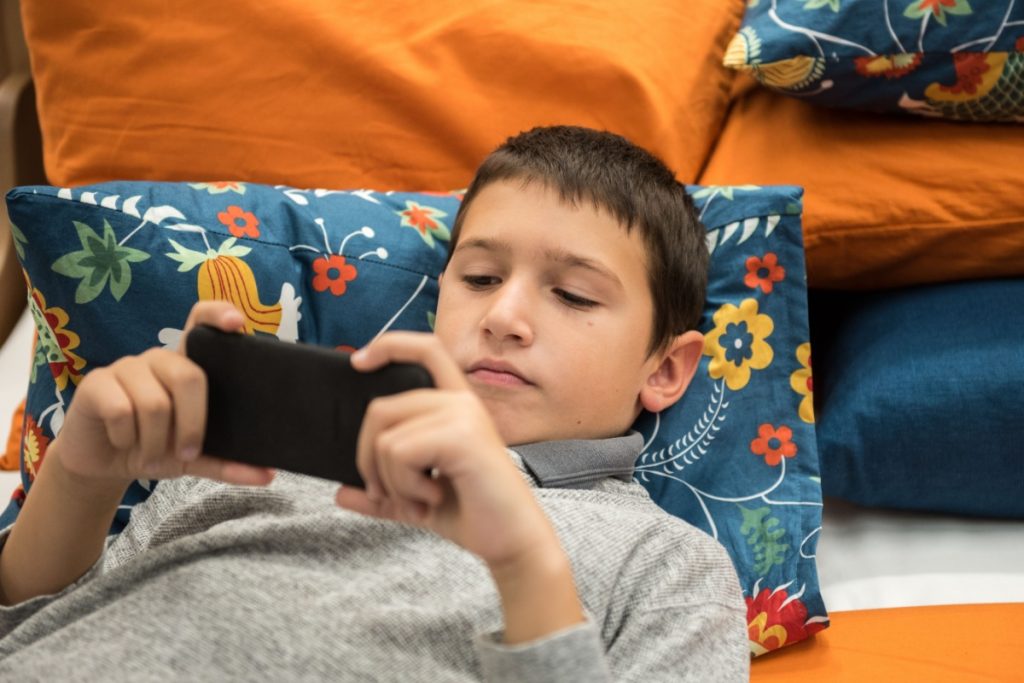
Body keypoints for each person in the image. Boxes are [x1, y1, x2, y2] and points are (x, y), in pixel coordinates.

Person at [0, 126, 749, 680]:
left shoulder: (671, 564)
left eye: (574, 293)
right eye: (480, 278)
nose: (504, 316)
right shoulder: (251, 448)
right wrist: (80, 473)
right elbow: (34, 628)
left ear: (667, 369)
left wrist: (523, 563)